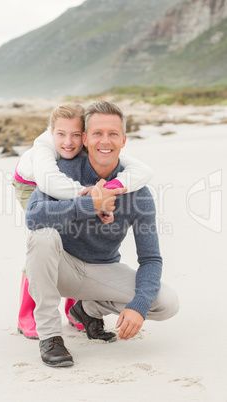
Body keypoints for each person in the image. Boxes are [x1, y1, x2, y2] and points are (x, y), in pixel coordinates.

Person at [25, 100, 179, 368]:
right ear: (85, 139)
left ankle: (86, 309)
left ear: (123, 140)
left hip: (102, 272)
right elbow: (33, 216)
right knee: (42, 237)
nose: (104, 141)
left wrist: (138, 305)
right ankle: (50, 336)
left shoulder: (138, 192)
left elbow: (151, 258)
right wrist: (89, 205)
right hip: (64, 269)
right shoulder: (62, 172)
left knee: (166, 303)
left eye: (112, 134)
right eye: (97, 133)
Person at [13, 103, 154, 339]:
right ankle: (27, 314)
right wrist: (93, 199)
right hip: (31, 185)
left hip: (74, 187)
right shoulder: (45, 149)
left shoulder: (90, 146)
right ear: (51, 132)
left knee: (77, 234)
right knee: (45, 237)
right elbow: (50, 184)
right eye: (61, 134)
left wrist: (108, 189)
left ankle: (75, 309)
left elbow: (142, 169)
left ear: (85, 136)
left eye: (76, 135)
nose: (68, 142)